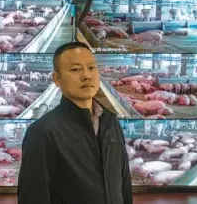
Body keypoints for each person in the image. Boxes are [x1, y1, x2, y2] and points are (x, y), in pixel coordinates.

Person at [18, 42, 133, 204]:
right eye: (76, 69)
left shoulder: (110, 122)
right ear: (57, 79)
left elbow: (124, 183)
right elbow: (33, 196)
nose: (87, 75)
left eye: (92, 68)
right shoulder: (43, 131)